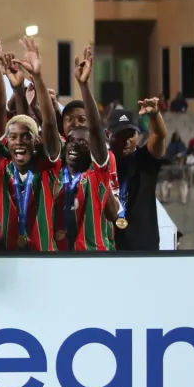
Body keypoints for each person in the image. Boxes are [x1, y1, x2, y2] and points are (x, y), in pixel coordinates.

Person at [0, 33, 62, 251]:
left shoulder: (47, 167)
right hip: (6, 259)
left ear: (36, 141)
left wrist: (37, 77)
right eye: (12, 137)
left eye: (26, 136)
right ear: (6, 142)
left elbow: (49, 123)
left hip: (44, 259)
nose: (19, 142)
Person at [56, 46, 119, 251]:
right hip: (60, 254)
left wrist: (83, 85)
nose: (75, 124)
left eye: (82, 120)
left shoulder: (101, 160)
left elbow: (113, 212)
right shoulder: (56, 159)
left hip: (95, 253)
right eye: (69, 119)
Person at [108, 98, 167, 251]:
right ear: (108, 134)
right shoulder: (102, 164)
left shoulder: (145, 159)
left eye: (131, 134)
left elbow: (159, 135)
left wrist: (155, 114)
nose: (126, 141)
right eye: (120, 135)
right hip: (109, 246)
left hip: (144, 249)